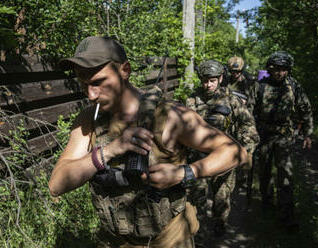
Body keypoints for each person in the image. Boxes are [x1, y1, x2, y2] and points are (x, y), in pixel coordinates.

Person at [48, 36, 248, 248]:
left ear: (125, 70)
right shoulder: (90, 119)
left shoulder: (170, 115)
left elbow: (235, 151)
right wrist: (107, 152)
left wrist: (183, 173)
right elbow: (56, 185)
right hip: (114, 242)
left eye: (98, 82)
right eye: (83, 83)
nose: (90, 94)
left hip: (169, 240)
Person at [186, 60, 259, 238]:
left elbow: (248, 126)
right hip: (198, 159)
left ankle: (220, 226)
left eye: (212, 80)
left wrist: (243, 152)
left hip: (224, 158)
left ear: (220, 78)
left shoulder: (231, 99)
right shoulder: (190, 100)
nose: (208, 84)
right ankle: (199, 235)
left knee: (222, 198)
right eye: (204, 80)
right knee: (197, 200)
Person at [250, 51, 313, 230]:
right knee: (264, 172)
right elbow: (248, 111)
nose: (280, 72)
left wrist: (307, 134)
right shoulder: (259, 86)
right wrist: (250, 133)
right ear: (270, 68)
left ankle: (286, 214)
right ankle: (267, 202)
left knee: (285, 175)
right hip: (264, 136)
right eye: (276, 69)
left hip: (284, 136)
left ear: (288, 70)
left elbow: (305, 108)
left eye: (284, 69)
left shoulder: (294, 86)